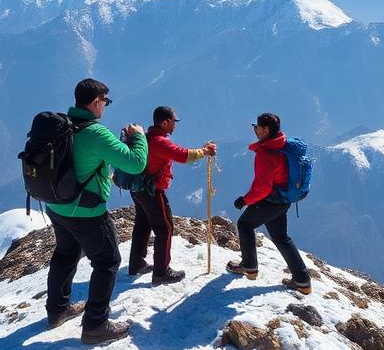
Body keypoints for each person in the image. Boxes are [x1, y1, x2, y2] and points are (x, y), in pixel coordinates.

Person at [45, 78, 148, 344]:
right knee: (107, 261)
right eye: (105, 101)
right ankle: (95, 324)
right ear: (95, 102)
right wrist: (139, 138)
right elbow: (136, 164)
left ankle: (57, 310)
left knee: (66, 252)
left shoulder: (63, 125)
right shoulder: (95, 133)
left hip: (56, 205)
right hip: (85, 211)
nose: (106, 106)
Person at [128, 105, 217, 285]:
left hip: (138, 188)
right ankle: (161, 272)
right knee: (165, 228)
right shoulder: (160, 141)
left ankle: (136, 264)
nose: (175, 125)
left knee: (143, 225)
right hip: (152, 191)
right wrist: (205, 151)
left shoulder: (147, 137)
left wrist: (201, 150)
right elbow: (183, 155)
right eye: (173, 121)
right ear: (165, 122)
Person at [226, 112, 312, 294]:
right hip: (284, 200)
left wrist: (244, 200)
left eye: (256, 126)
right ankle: (302, 280)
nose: (255, 130)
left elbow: (263, 188)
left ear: (265, 129)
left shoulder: (266, 154)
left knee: (244, 224)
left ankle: (249, 266)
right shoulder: (284, 146)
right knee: (281, 237)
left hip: (271, 200)